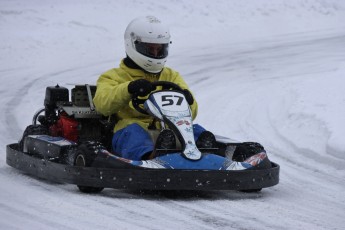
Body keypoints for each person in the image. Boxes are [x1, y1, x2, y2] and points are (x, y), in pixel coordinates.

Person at [93, 16, 215, 160]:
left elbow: (192, 114)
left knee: (193, 129)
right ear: (133, 45)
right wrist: (128, 89)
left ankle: (209, 154)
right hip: (131, 129)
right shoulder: (113, 76)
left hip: (168, 130)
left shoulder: (171, 75)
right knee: (133, 133)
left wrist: (188, 101)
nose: (156, 54)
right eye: (150, 50)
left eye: (160, 49)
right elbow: (102, 104)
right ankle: (150, 157)